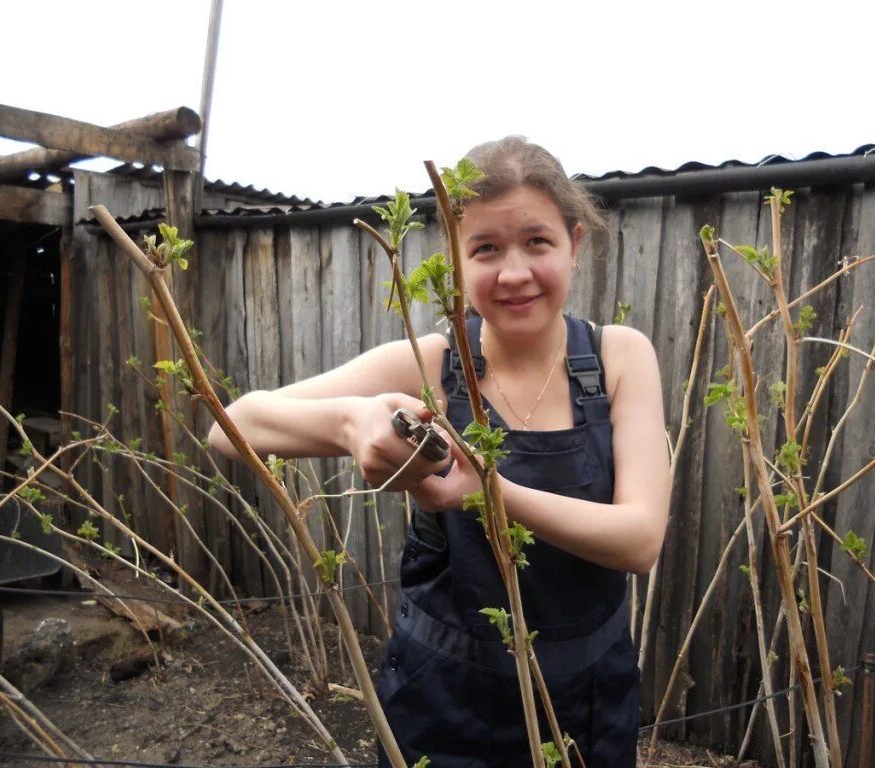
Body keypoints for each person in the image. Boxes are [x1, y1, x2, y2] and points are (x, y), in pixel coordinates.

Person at [208, 136, 670, 767]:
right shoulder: (430, 364)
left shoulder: (618, 358)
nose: (513, 272)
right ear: (454, 259)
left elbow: (640, 539)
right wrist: (352, 422)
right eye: (484, 248)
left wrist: (490, 491)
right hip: (443, 702)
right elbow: (231, 425)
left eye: (537, 241)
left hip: (586, 705)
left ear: (575, 244)